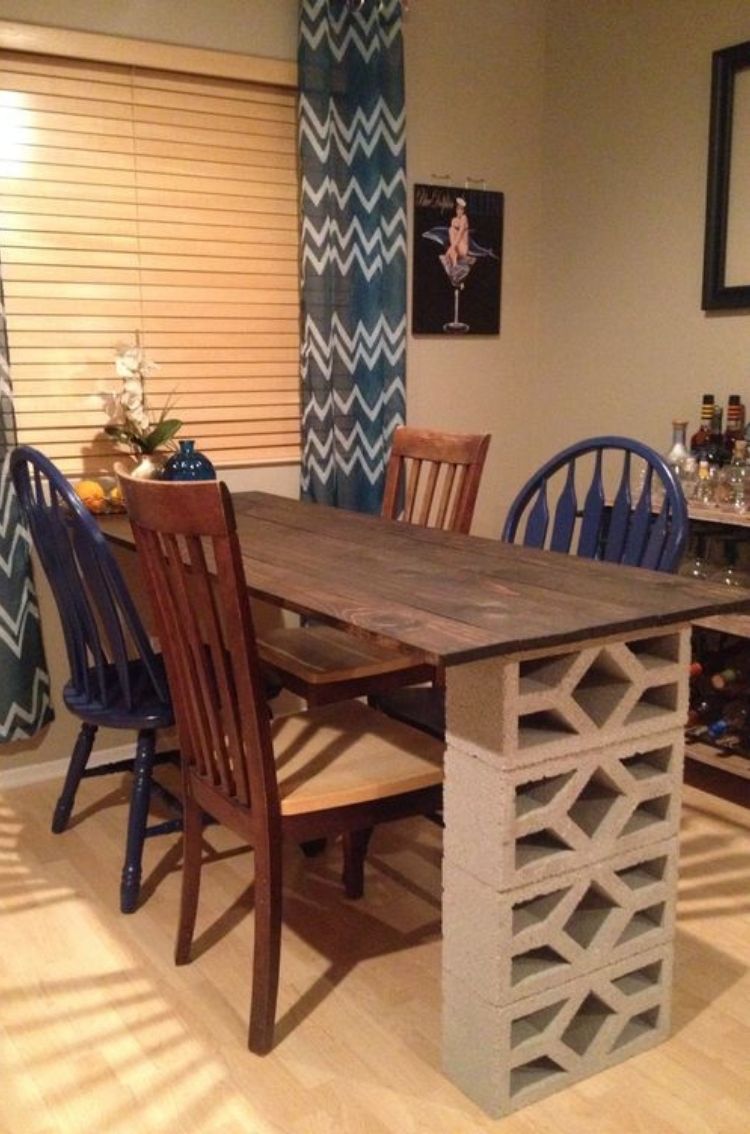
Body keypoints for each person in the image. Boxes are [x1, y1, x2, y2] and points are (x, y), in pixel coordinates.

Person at [441, 197, 470, 269]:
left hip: (463, 248)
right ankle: (454, 263)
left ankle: (453, 259)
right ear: (456, 210)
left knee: (452, 232)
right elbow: (453, 235)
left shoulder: (464, 218)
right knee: (451, 230)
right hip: (456, 248)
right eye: (458, 209)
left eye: (461, 209)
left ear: (464, 210)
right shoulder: (454, 219)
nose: (459, 211)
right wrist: (451, 248)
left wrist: (450, 249)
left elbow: (460, 234)